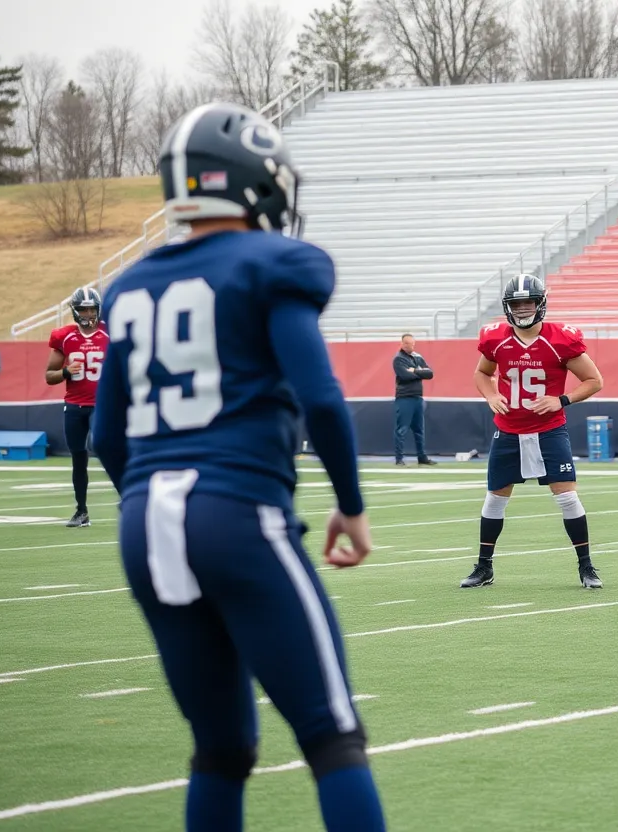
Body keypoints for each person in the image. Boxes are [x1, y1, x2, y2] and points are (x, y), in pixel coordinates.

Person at [91, 103, 385, 832]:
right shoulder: (275, 263)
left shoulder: (128, 288)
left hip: (144, 522)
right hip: (237, 509)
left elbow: (104, 435)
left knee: (220, 750)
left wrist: (149, 492)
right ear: (257, 182)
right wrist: (350, 502)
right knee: (331, 734)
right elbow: (319, 397)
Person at [460, 273, 605, 589]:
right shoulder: (495, 337)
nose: (523, 309)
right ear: (507, 306)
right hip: (509, 430)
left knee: (567, 498)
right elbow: (482, 374)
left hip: (549, 430)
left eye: (528, 303)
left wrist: (561, 400)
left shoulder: (561, 339)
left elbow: (594, 380)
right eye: (517, 304)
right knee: (495, 499)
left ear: (540, 304)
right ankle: (484, 567)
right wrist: (492, 395)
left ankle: (587, 567)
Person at [45, 287, 109, 527]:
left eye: (91, 308)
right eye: (83, 308)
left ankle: (130, 501)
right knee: (78, 457)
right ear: (75, 311)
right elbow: (49, 376)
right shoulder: (65, 337)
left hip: (101, 405)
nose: (88, 313)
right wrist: (64, 372)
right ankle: (81, 511)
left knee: (104, 447)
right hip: (74, 406)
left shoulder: (110, 333)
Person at [392, 333, 435, 466]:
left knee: (419, 430)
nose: (411, 346)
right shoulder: (398, 359)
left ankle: (421, 457)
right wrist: (419, 372)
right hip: (404, 398)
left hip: (417, 397)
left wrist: (414, 370)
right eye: (408, 344)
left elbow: (430, 373)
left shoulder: (417, 356)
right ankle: (399, 459)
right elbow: (404, 376)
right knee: (402, 429)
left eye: (412, 344)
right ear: (402, 344)